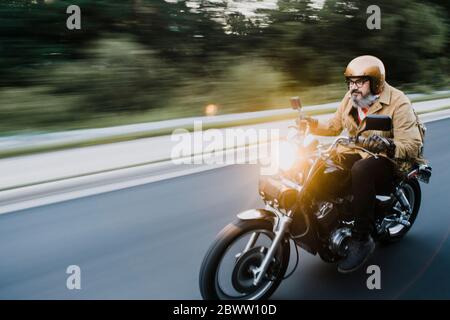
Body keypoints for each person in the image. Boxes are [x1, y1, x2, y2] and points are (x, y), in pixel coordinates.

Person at [301, 55, 425, 273]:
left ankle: (362, 238)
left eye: (359, 82)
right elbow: (333, 125)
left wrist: (386, 144)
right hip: (358, 151)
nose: (353, 87)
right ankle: (329, 219)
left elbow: (412, 144)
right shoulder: (351, 99)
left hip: (390, 159)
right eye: (350, 82)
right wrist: (311, 124)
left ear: (376, 82)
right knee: (322, 166)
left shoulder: (398, 102)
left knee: (362, 170)